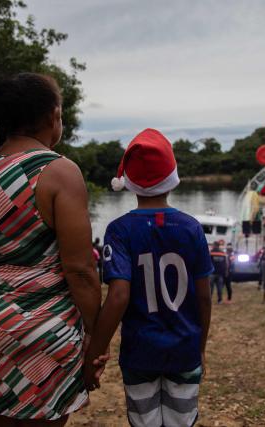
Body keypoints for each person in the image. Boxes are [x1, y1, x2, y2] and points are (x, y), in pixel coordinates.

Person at [0, 73, 102, 426]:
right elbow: (80, 269)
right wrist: (97, 336)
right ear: (53, 116)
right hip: (43, 326)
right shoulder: (58, 171)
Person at [87, 128, 213, 427]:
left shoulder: (119, 230)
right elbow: (205, 297)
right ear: (172, 178)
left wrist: (94, 352)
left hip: (139, 351)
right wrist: (201, 346)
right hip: (184, 348)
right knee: (181, 421)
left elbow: (118, 295)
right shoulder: (191, 227)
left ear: (129, 184)